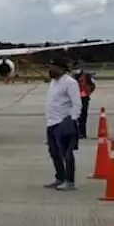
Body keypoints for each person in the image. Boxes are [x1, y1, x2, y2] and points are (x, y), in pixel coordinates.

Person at [44, 58, 82, 191]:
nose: (50, 70)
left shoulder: (70, 83)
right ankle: (59, 177)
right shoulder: (54, 82)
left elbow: (77, 103)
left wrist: (71, 120)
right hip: (51, 122)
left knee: (66, 153)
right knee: (54, 153)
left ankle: (69, 181)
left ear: (61, 68)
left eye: (52, 68)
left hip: (63, 123)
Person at [73, 63, 96, 138]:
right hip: (75, 98)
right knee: (75, 116)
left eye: (77, 68)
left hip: (84, 98)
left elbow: (92, 85)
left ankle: (82, 133)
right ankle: (76, 132)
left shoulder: (87, 76)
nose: (76, 70)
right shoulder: (73, 76)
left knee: (83, 115)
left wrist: (87, 93)